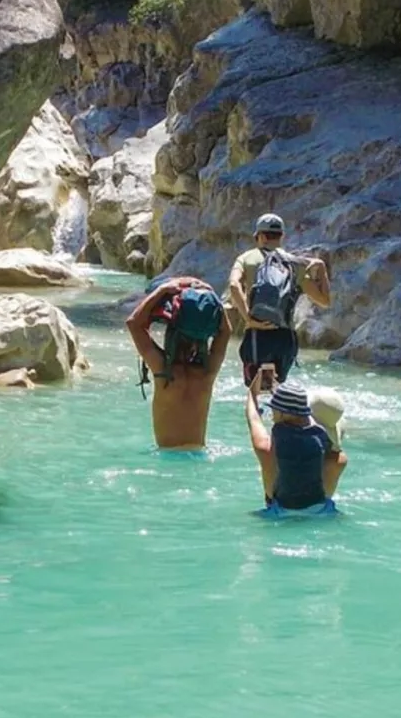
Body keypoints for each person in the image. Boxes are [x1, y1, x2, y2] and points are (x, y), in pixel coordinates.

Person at [126, 276, 231, 450]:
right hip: (199, 456)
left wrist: (163, 290)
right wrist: (211, 295)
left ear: (171, 334)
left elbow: (133, 324)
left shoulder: (163, 371)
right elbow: (226, 332)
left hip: (166, 458)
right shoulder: (208, 373)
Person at [227, 212, 332, 385]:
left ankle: (258, 412)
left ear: (259, 236)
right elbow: (324, 301)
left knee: (256, 392)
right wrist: (321, 270)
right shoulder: (293, 264)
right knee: (276, 391)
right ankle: (279, 412)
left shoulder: (246, 259)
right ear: (282, 236)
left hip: (258, 335)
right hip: (285, 338)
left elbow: (233, 285)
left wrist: (248, 319)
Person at [244, 372, 347, 515]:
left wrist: (252, 393)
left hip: (279, 515)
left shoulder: (265, 448)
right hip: (322, 514)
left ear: (280, 414)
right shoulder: (338, 460)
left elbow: (253, 418)